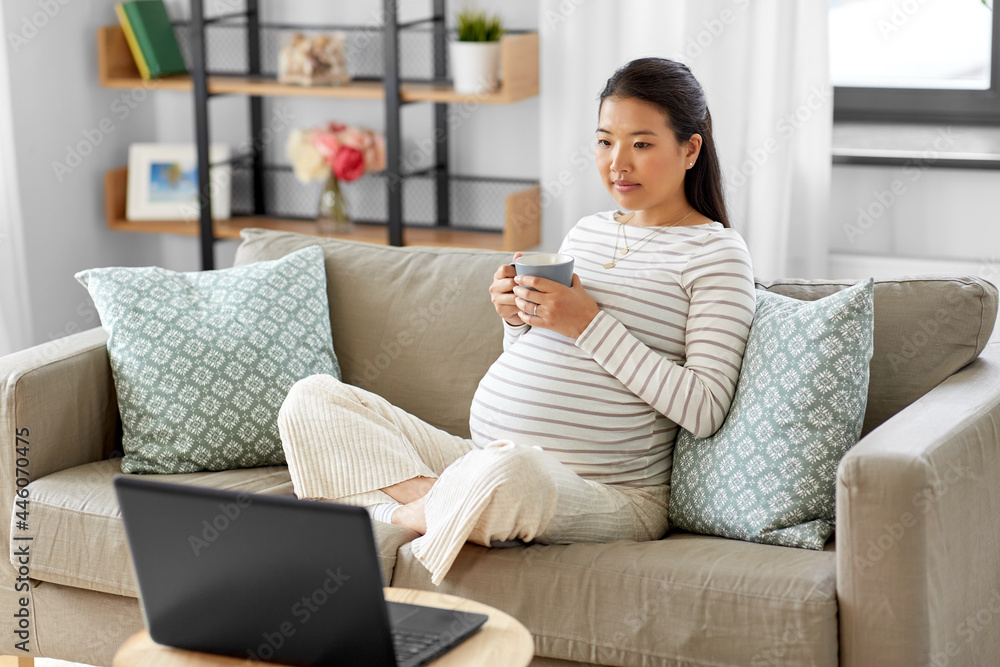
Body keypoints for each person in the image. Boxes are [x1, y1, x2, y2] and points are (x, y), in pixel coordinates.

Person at [277, 57, 756, 585]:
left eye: (641, 144)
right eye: (604, 141)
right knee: (313, 399)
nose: (618, 163)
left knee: (512, 470)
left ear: (690, 149)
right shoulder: (587, 231)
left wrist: (587, 324)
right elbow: (534, 360)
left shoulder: (717, 254)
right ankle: (436, 507)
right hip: (476, 457)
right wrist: (517, 319)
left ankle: (399, 507)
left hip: (608, 494)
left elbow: (707, 408)